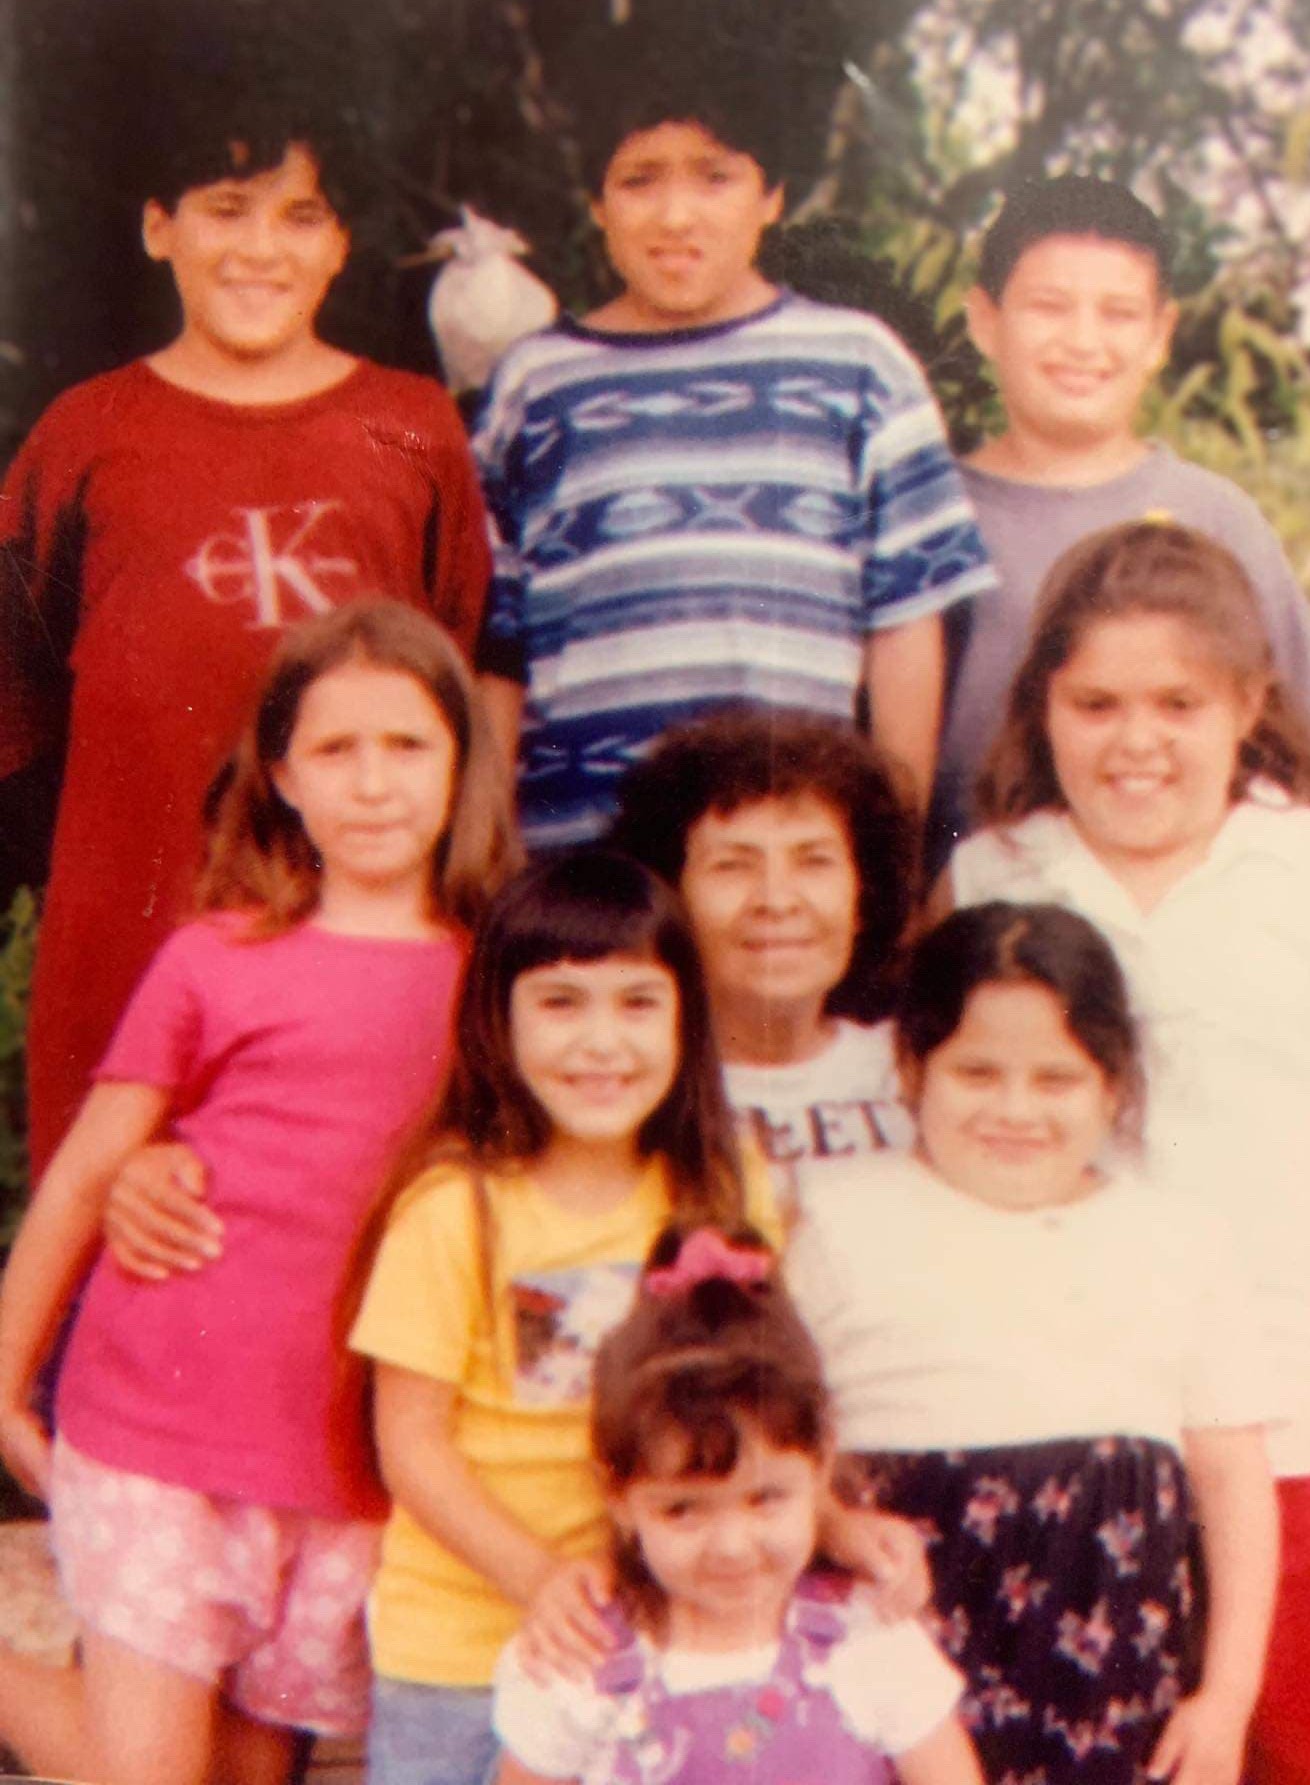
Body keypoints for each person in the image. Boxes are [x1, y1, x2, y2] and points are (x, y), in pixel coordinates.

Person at [0, 601, 517, 1785]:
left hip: (343, 1457)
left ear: (462, 761)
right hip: (162, 1421)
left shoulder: (497, 972)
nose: (372, 784)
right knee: (146, 1772)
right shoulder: (216, 956)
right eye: (334, 749)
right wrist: (3, 1375)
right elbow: (84, 1174)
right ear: (281, 774)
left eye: (407, 745)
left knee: (247, 1775)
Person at [349, 848, 923, 1785]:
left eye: (638, 1003)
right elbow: (409, 1443)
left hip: (658, 1642)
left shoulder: (722, 1186)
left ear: (686, 1016)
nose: (601, 1042)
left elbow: (763, 1407)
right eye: (561, 1003)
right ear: (497, 1018)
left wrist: (837, 1522)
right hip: (464, 1643)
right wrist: (538, 1577)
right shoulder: (455, 1208)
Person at [0, 106, 493, 1174]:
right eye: (226, 210)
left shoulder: (412, 425)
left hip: (358, 942)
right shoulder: (84, 431)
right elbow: (16, 699)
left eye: (300, 216)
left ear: (340, 242)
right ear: (158, 227)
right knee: (113, 1241)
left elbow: (459, 680)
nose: (261, 248)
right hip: (128, 946)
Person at [945, 522, 1310, 1785]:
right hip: (1070, 1427)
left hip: (1289, 1418)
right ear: (1039, 704)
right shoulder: (993, 877)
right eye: (1094, 704)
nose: (1134, 740)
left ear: (1248, 703)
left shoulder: (1296, 869)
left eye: (1177, 705)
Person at [473, 9, 994, 850]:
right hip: (586, 868)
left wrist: (889, 853)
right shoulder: (536, 385)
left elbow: (906, 629)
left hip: (785, 864)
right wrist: (488, 857)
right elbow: (496, 648)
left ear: (772, 195)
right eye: (640, 180)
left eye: (714, 177)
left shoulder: (861, 367)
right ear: (597, 201)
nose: (676, 215)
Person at [788, 901, 1279, 1785]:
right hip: (897, 1667)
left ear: (1113, 1086)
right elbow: (776, 1443)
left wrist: (1228, 1695)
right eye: (976, 1071)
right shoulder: (836, 1218)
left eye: (1057, 1079)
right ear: (911, 1069)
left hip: (1116, 1685)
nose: (1015, 1109)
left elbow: (1231, 1475)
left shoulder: (1179, 1238)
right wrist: (836, 1522)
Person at [491, 1221, 983, 1785]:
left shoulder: (868, 1638)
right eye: (683, 1510)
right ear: (619, 1498)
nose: (730, 1547)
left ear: (820, 1466)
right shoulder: (582, 1663)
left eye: (765, 1499)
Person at [933, 174, 1310, 848]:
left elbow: (1292, 747)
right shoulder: (928, 516)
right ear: (985, 320)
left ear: (1161, 333)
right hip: (968, 895)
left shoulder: (1216, 519)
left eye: (1118, 313)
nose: (1083, 341)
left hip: (1184, 895)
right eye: (1050, 307)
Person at [609, 709, 918, 1169]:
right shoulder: (624, 1082)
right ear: (671, 898)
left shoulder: (917, 1073)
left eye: (814, 862)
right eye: (732, 866)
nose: (776, 900)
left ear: (864, 896)